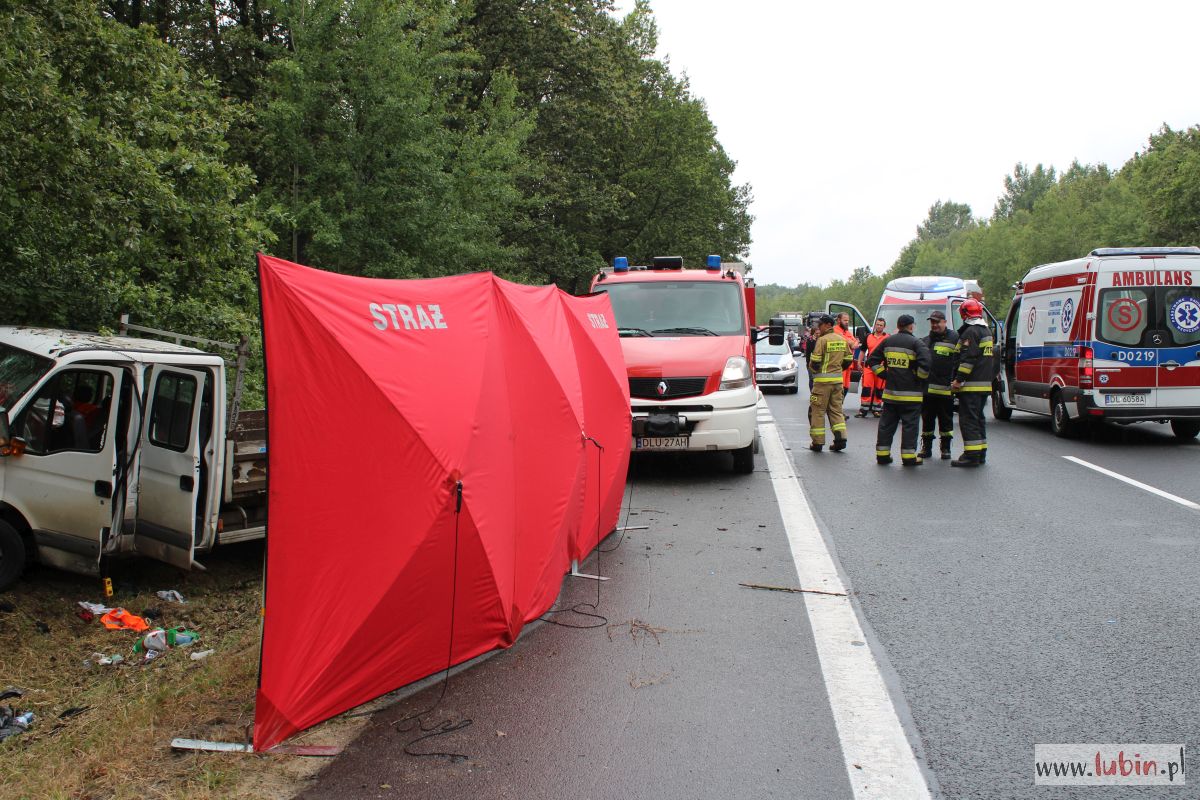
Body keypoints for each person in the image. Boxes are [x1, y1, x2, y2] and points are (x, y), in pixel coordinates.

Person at [866, 314, 931, 466]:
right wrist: (919, 379)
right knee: (910, 426)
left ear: (898, 325)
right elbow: (926, 364)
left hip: (891, 394)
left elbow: (872, 360)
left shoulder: (888, 341)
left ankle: (882, 455)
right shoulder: (917, 343)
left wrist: (885, 375)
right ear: (911, 326)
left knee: (886, 425)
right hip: (911, 396)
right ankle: (908, 458)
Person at [951, 298, 996, 468]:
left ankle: (971, 455)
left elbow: (968, 359)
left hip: (971, 384)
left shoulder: (970, 333)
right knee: (978, 418)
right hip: (984, 384)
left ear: (964, 314)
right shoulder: (986, 332)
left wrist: (958, 380)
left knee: (968, 419)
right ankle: (981, 452)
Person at [807, 315, 853, 452]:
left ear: (827, 325)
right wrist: (838, 369)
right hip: (838, 382)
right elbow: (849, 359)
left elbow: (815, 361)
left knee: (817, 412)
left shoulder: (822, 340)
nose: (818, 328)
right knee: (836, 411)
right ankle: (840, 439)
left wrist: (815, 372)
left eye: (820, 325)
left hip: (822, 384)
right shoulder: (842, 339)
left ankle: (817, 443)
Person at [919, 311, 959, 460]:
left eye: (937, 322)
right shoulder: (925, 340)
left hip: (946, 389)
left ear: (945, 322)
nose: (935, 325)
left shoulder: (954, 338)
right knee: (927, 420)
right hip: (928, 390)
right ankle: (926, 447)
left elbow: (959, 361)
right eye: (932, 322)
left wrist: (956, 380)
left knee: (946, 421)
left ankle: (946, 448)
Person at [855, 318, 888, 418]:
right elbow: (862, 351)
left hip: (881, 367)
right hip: (869, 367)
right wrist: (859, 362)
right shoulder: (868, 337)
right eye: (877, 324)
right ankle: (863, 410)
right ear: (875, 326)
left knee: (879, 388)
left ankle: (877, 410)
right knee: (867, 388)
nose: (879, 326)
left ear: (884, 327)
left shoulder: (888, 338)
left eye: (881, 325)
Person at [834, 312, 860, 398]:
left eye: (848, 320)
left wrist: (853, 342)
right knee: (839, 388)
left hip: (848, 364)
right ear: (838, 320)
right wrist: (853, 342)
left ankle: (839, 409)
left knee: (846, 387)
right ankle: (836, 410)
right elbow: (853, 344)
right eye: (845, 320)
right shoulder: (835, 330)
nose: (847, 322)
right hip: (840, 364)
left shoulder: (846, 331)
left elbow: (856, 343)